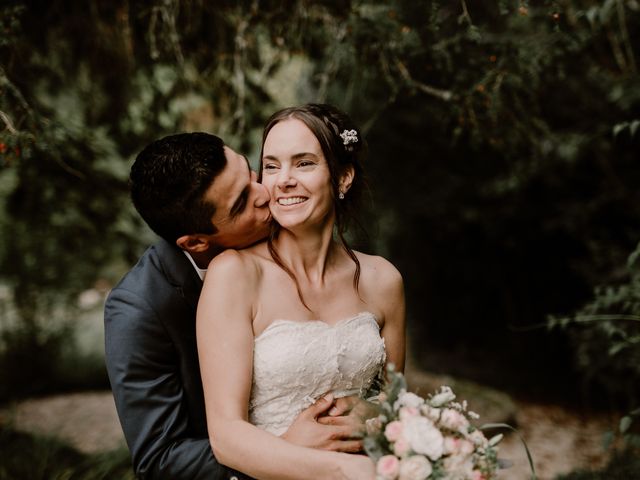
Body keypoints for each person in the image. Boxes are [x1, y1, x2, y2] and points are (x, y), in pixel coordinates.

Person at [105, 132, 368, 480]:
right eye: (242, 202)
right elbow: (159, 460)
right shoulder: (139, 309)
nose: (265, 194)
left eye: (251, 173)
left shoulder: (297, 237)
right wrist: (282, 447)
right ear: (197, 242)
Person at [197, 104, 406, 480]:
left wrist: (373, 413)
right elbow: (226, 435)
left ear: (343, 178)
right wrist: (341, 467)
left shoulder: (383, 279)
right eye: (272, 165)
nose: (283, 180)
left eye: (304, 163)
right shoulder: (235, 274)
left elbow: (397, 404)